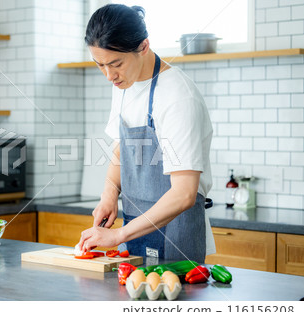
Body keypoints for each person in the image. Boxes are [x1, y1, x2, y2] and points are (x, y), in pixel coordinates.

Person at [77, 4, 215, 263]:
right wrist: (109, 194)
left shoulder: (177, 97)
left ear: (143, 46)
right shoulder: (123, 84)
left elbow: (185, 193)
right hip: (134, 229)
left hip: (177, 237)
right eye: (100, 65)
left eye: (115, 64)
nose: (109, 76)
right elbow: (122, 148)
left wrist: (118, 236)